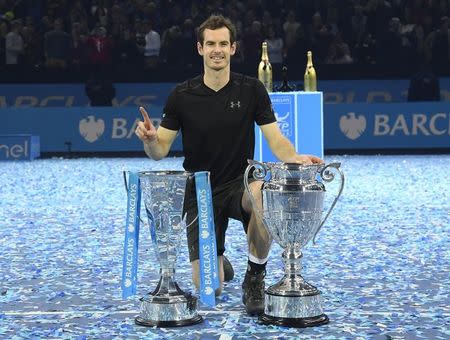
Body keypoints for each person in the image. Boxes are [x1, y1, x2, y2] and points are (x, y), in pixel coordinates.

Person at [135, 15, 322, 316]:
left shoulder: (252, 90)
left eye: (223, 43)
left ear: (233, 48)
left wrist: (295, 157)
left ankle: (255, 276)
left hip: (241, 183)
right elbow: (159, 151)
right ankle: (219, 263)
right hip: (199, 190)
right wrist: (149, 139)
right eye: (211, 44)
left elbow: (275, 139)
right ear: (200, 48)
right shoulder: (181, 96)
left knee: (264, 193)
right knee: (212, 289)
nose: (217, 50)